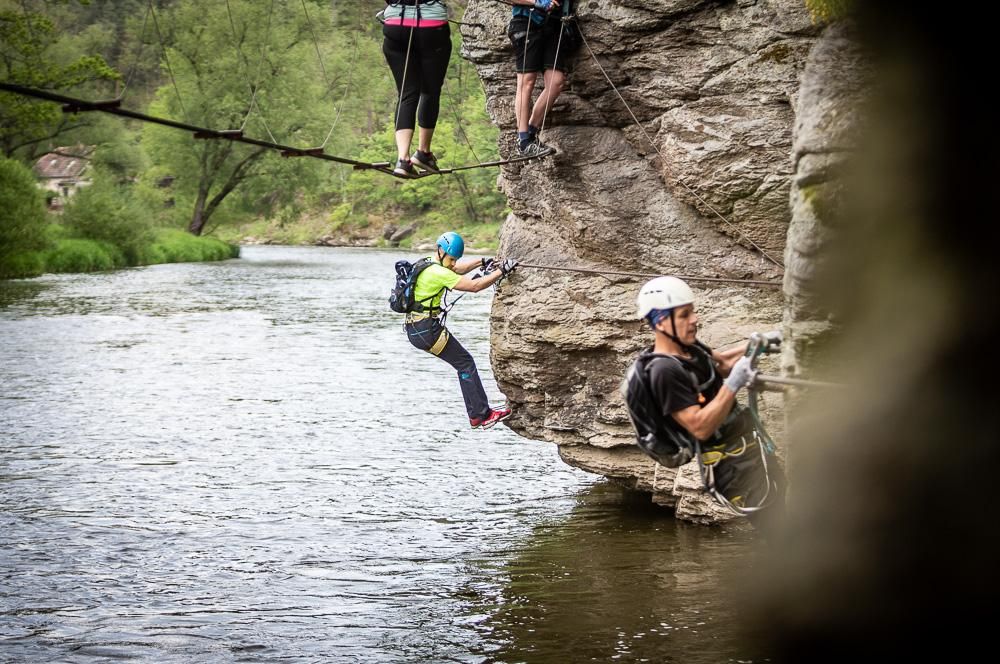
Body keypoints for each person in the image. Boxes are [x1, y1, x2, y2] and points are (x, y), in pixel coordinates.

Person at [632, 276, 785, 525]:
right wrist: (734, 383)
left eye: (692, 312)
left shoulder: (690, 348)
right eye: (684, 314)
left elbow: (723, 364)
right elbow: (699, 427)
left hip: (751, 451)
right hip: (734, 467)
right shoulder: (665, 372)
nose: (694, 319)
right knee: (777, 529)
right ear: (661, 321)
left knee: (783, 513)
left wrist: (762, 344)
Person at [405, 231, 518, 428]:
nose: (453, 263)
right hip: (427, 332)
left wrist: (482, 262)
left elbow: (456, 269)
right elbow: (474, 286)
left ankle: (478, 414)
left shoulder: (429, 262)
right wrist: (502, 271)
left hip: (416, 329)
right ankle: (481, 415)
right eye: (451, 259)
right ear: (441, 251)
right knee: (465, 364)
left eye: (455, 259)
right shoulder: (438, 272)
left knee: (463, 363)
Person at [381, 1, 452, 176]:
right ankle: (423, 152)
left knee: (407, 94)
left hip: (395, 26)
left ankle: (402, 160)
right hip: (432, 28)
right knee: (430, 91)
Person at [507, 0, 580, 156]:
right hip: (526, 22)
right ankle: (523, 140)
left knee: (556, 82)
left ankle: (531, 133)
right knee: (527, 82)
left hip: (553, 27)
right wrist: (537, 2)